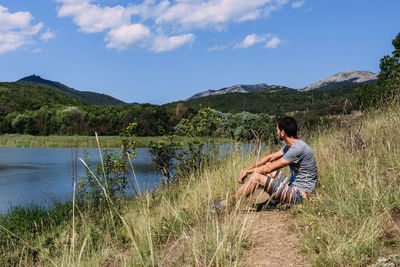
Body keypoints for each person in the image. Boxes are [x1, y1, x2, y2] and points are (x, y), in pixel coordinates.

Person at [206, 116, 318, 212]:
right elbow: (269, 158)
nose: (277, 132)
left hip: (300, 195)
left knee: (257, 177)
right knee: (269, 171)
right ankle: (273, 203)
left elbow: (268, 168)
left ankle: (229, 203)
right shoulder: (291, 146)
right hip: (292, 187)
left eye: (277, 130)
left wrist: (249, 172)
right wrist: (246, 169)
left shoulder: (298, 149)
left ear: (283, 133)